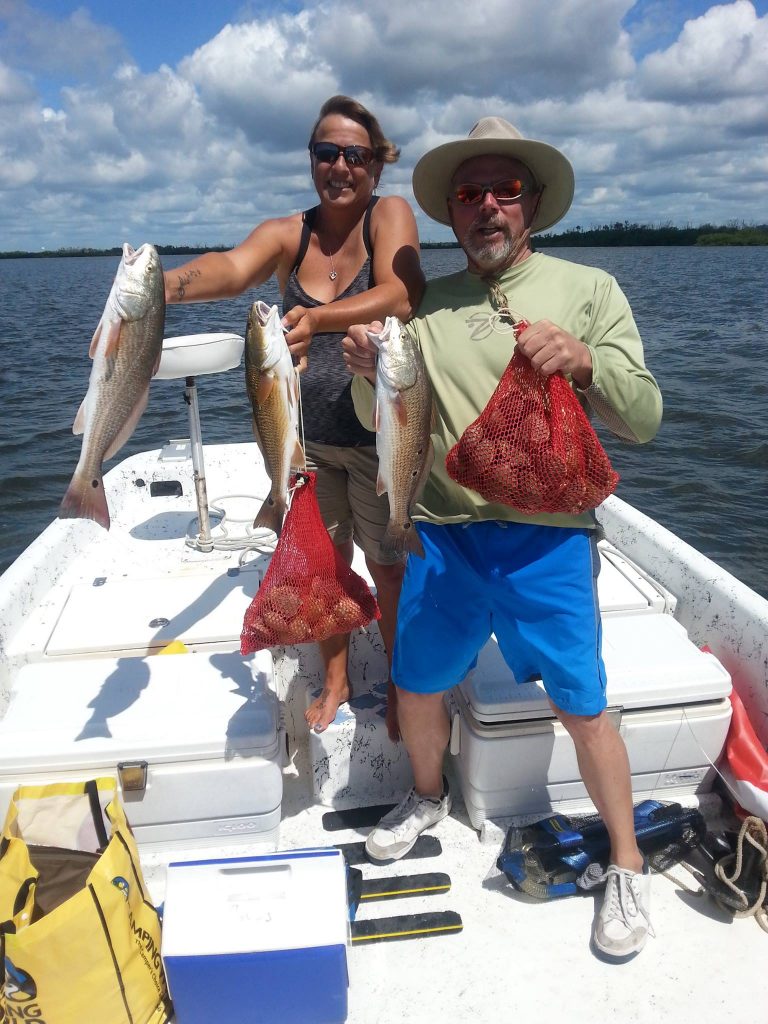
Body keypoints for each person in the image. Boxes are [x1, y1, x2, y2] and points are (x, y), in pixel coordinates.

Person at [343, 116, 663, 959]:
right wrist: (365, 371)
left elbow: (645, 417)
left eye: (505, 190)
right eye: (470, 193)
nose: (488, 206)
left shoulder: (589, 289)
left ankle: (625, 863)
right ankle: (425, 796)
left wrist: (588, 362)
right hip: (442, 536)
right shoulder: (427, 305)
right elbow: (387, 419)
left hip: (549, 542)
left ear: (532, 205)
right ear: (451, 211)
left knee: (585, 707)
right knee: (416, 683)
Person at [165, 96, 424, 737]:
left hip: (379, 436)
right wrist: (152, 290)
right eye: (326, 152)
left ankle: (399, 678)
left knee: (387, 564)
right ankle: (336, 676)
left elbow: (402, 293)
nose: (340, 166)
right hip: (305, 443)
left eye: (355, 155)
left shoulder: (387, 216)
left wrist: (319, 318)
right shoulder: (290, 233)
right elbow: (229, 271)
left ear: (376, 165)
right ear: (311, 160)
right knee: (322, 565)